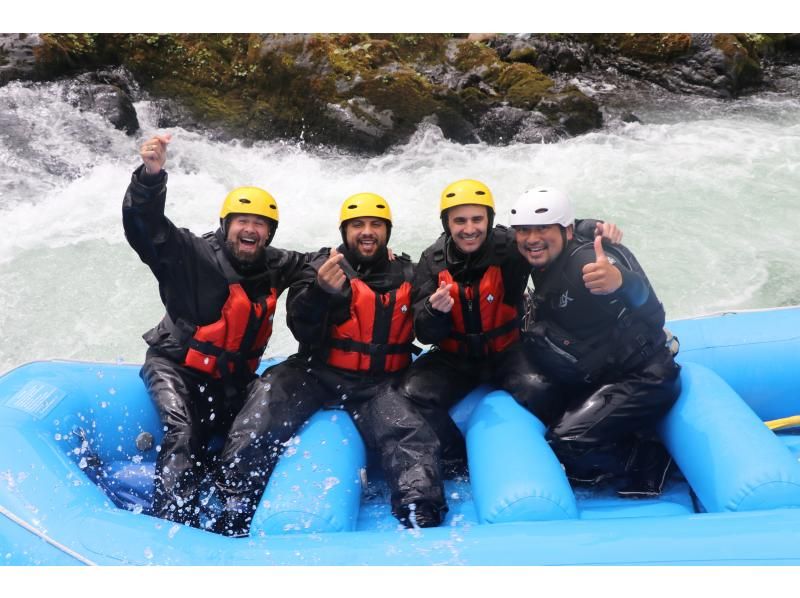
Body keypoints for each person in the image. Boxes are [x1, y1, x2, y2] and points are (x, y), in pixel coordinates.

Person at [211, 192, 442, 535]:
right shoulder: (322, 267)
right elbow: (300, 326)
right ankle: (234, 499)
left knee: (408, 431)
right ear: (344, 231)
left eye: (376, 225)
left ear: (387, 232)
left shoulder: (408, 272)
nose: (367, 232)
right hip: (318, 372)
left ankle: (418, 505)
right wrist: (320, 292)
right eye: (358, 225)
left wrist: (438, 313)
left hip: (377, 382)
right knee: (266, 400)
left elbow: (426, 331)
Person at [391, 179, 621, 525]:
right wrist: (434, 313)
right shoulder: (431, 261)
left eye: (476, 220)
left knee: (540, 390)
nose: (469, 229)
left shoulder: (509, 246)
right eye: (460, 221)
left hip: (507, 348)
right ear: (447, 224)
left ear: (488, 220)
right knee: (410, 395)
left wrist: (592, 228)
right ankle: (456, 460)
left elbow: (547, 233)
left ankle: (573, 456)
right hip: (456, 357)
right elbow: (422, 334)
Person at [122, 134, 307, 527]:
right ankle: (172, 522)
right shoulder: (191, 255)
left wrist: (372, 258)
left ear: (270, 232)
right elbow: (147, 228)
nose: (251, 230)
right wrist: (150, 178)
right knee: (184, 430)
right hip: (175, 367)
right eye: (243, 221)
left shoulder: (276, 264)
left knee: (254, 429)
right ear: (226, 225)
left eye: (260, 224)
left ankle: (233, 510)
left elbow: (318, 260)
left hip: (229, 379)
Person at [509, 186, 681, 496]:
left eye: (543, 228)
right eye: (523, 230)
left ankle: (648, 457)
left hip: (642, 376)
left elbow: (654, 314)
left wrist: (621, 282)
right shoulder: (542, 252)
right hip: (599, 369)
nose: (531, 238)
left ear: (566, 231)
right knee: (527, 386)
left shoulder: (588, 265)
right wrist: (592, 224)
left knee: (565, 442)